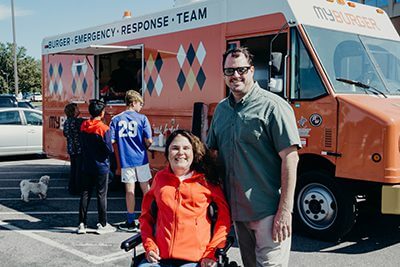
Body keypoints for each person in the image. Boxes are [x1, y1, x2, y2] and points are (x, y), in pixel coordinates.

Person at [206, 47, 301, 267]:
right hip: (237, 212)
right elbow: (212, 155)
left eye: (240, 69)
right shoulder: (221, 110)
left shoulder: (274, 107)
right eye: (229, 71)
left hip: (268, 211)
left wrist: (285, 211)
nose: (235, 75)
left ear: (251, 70)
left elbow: (290, 158)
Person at [139, 129, 231, 267]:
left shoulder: (206, 181)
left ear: (193, 153)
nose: (180, 152)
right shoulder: (160, 179)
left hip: (195, 259)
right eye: (175, 148)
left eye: (186, 148)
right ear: (167, 153)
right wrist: (149, 246)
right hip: (160, 257)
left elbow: (223, 219)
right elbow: (146, 217)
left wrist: (212, 252)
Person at [109, 90, 153, 232]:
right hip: (141, 158)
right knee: (146, 189)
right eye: (140, 104)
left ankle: (130, 219)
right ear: (133, 103)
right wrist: (145, 145)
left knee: (130, 191)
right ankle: (150, 216)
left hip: (125, 159)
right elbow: (149, 140)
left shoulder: (116, 119)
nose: (141, 107)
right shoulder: (142, 118)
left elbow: (112, 140)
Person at [77, 100, 115, 235]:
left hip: (86, 164)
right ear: (102, 112)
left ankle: (82, 223)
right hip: (101, 166)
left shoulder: (83, 125)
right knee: (101, 195)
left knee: (85, 193)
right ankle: (102, 223)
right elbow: (109, 149)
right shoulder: (104, 128)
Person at [63, 103, 84, 195]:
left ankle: (72, 188)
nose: (78, 110)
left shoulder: (67, 122)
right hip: (79, 148)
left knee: (73, 169)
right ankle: (79, 188)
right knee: (79, 170)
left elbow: (65, 133)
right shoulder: (78, 122)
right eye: (76, 109)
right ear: (73, 111)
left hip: (71, 148)